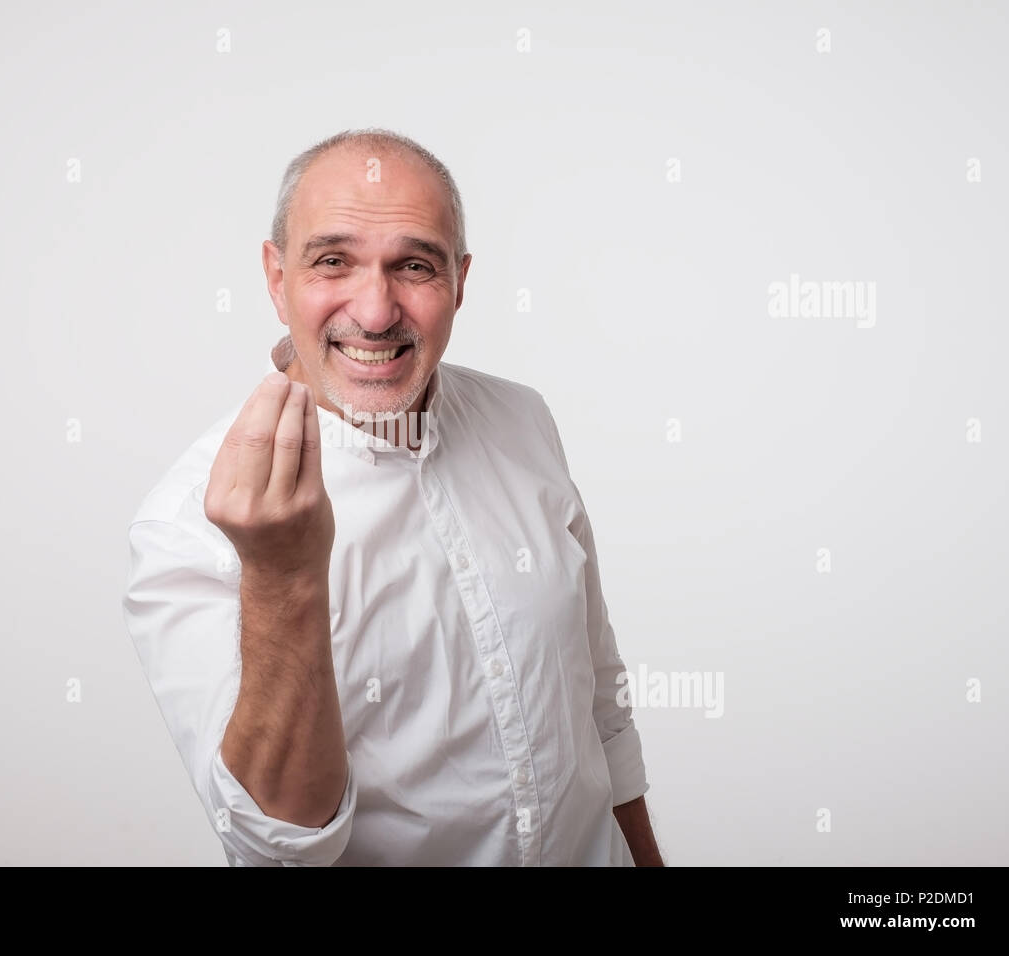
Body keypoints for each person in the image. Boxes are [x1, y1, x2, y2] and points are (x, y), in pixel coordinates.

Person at [122, 128, 664, 866]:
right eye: (333, 262)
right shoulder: (190, 517)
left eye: (414, 265)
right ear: (277, 279)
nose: (376, 312)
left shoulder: (523, 419)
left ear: (460, 282)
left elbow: (596, 699)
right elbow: (278, 840)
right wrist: (284, 577)